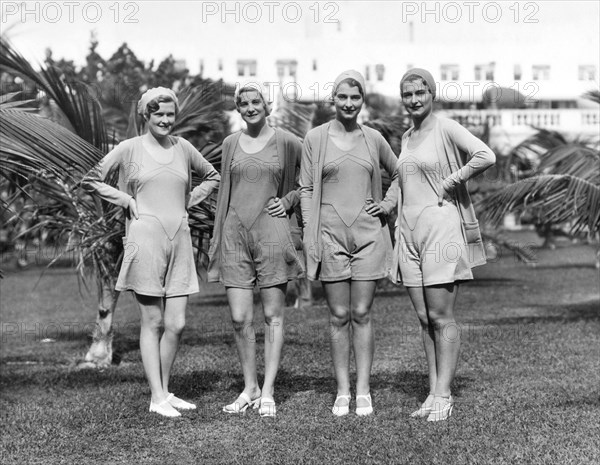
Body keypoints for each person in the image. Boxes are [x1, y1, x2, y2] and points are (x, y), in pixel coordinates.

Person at [82, 87, 220, 417]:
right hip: (144, 238)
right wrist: (126, 199)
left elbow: (212, 176)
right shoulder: (129, 148)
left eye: (170, 114)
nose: (166, 120)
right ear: (146, 115)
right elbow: (91, 178)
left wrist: (188, 200)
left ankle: (164, 391)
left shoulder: (183, 148)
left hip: (179, 239)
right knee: (153, 320)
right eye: (158, 114)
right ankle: (157, 396)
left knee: (177, 323)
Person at [392, 68, 495, 421]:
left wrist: (453, 180)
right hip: (408, 232)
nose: (414, 99)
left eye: (421, 92)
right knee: (424, 318)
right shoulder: (406, 136)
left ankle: (444, 395)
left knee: (441, 316)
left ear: (432, 94)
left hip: (440, 227)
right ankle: (433, 392)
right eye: (408, 94)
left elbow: (484, 155)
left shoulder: (445, 126)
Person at [300, 70, 398, 416]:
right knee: (338, 315)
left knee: (361, 312)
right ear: (333, 100)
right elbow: (307, 189)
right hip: (329, 234)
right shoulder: (315, 138)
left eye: (355, 98)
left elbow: (399, 172)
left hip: (369, 234)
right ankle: (342, 390)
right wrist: (310, 234)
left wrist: (386, 205)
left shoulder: (373, 138)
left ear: (362, 102)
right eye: (342, 97)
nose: (348, 103)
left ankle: (363, 390)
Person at [207, 83, 304, 417]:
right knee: (239, 318)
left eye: (256, 101)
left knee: (272, 315)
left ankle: (268, 391)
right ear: (238, 107)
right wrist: (219, 238)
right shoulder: (230, 143)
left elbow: (310, 177)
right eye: (244, 103)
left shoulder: (288, 141)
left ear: (268, 104)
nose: (250, 107)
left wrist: (289, 200)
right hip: (235, 234)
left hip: (272, 233)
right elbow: (224, 194)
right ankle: (249, 387)